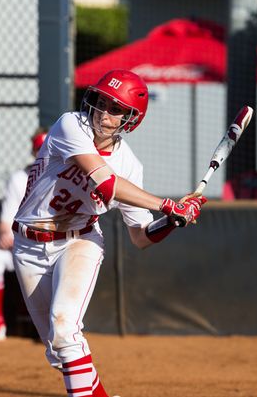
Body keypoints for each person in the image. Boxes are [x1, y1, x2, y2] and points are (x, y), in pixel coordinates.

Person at [11, 69, 206, 397]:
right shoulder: (70, 124)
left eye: (116, 108)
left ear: (131, 118)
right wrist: (168, 205)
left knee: (65, 330)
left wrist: (174, 221)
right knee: (59, 352)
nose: (104, 113)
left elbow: (141, 236)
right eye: (102, 101)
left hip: (79, 242)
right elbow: (105, 181)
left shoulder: (130, 164)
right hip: (28, 245)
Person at [0, 129, 47, 343]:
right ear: (33, 151)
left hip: (52, 248)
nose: (42, 154)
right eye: (38, 150)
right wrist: (5, 234)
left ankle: (53, 327)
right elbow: (5, 223)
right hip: (22, 244)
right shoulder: (20, 178)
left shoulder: (65, 177)